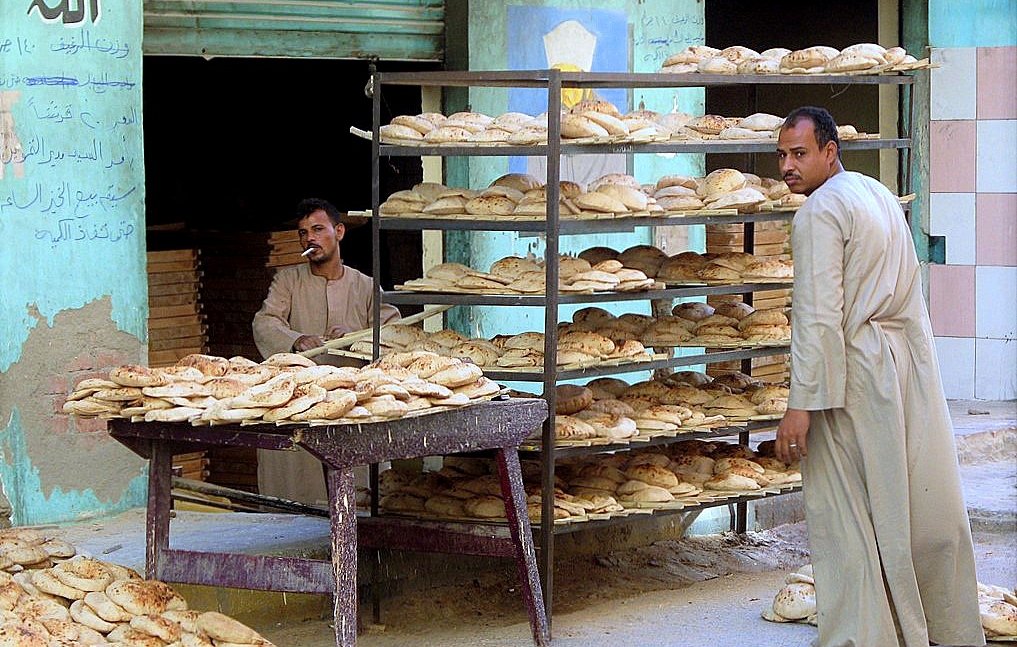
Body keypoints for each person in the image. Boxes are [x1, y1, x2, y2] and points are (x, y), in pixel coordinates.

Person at [774, 106, 985, 647]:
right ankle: (932, 628)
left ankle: (863, 636)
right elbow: (910, 286)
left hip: (851, 370)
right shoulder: (874, 192)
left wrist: (801, 404)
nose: (787, 167)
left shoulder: (819, 212)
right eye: (781, 155)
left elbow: (818, 316)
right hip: (897, 361)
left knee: (845, 512)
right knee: (901, 502)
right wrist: (916, 365)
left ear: (829, 150)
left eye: (799, 154)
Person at [252, 198, 400, 503]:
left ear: (340, 232)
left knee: (358, 493)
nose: (310, 238)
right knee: (297, 493)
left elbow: (394, 334)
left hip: (352, 405)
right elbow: (265, 323)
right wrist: (295, 339)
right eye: (303, 233)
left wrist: (356, 337)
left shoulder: (365, 286)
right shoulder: (287, 281)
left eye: (318, 229)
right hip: (300, 404)